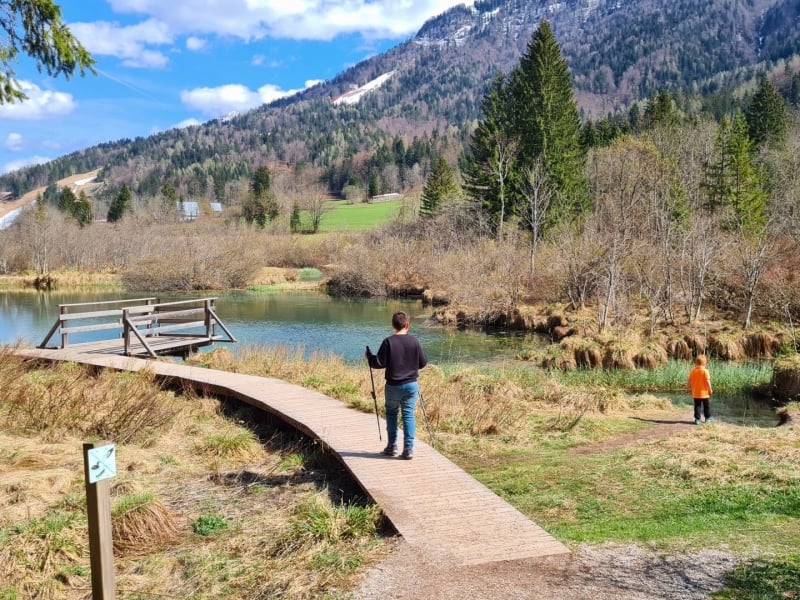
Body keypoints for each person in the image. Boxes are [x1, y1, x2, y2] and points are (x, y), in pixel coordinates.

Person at [366, 311, 427, 459]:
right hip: (411, 385)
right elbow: (423, 363)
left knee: (392, 414)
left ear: (393, 325)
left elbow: (378, 363)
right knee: (408, 415)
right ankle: (408, 449)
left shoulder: (388, 341)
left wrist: (369, 356)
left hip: (393, 386)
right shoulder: (414, 341)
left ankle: (392, 446)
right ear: (407, 324)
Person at [687, 354, 713, 425]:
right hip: (704, 394)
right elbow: (708, 381)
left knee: (697, 406)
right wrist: (710, 389)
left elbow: (689, 380)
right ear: (704, 363)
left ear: (696, 363)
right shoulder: (705, 371)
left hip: (696, 393)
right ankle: (707, 418)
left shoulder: (693, 371)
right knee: (706, 406)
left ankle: (697, 419)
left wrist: (688, 388)